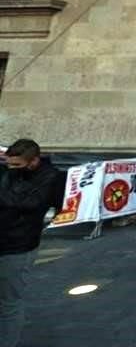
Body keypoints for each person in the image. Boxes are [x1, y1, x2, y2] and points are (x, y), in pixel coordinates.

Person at [1, 139, 63, 347]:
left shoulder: (51, 177)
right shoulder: (9, 171)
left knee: (9, 302)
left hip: (18, 246)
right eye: (9, 164)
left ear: (34, 161)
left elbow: (29, 203)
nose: (11, 168)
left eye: (16, 165)